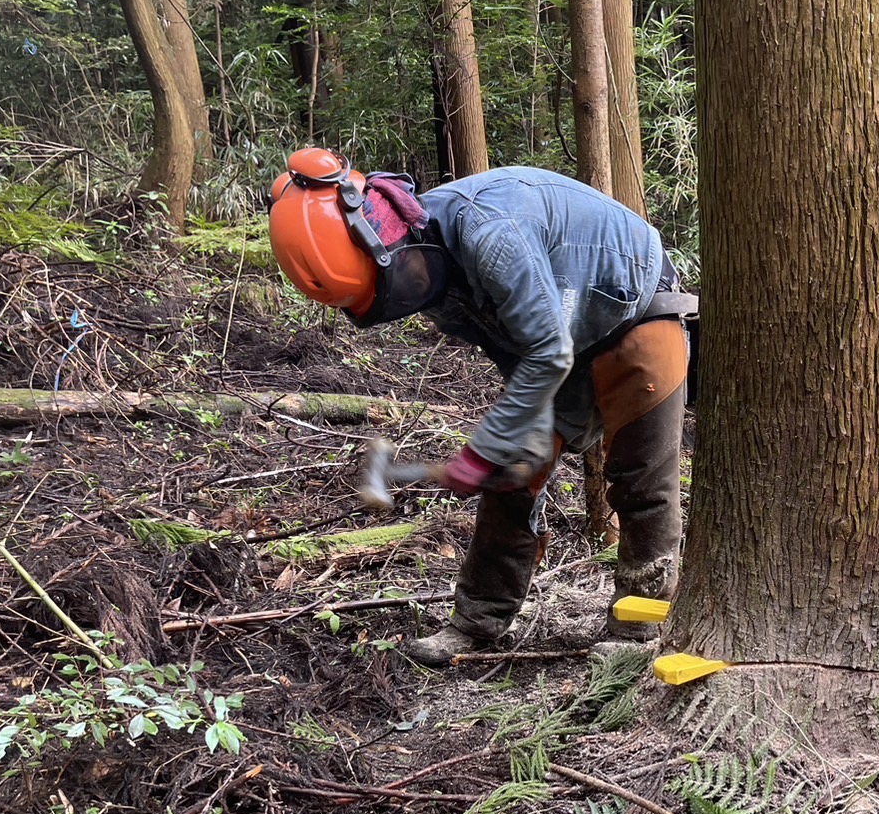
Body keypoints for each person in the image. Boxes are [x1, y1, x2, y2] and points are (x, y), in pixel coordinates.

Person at [267, 149, 695, 663]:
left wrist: (481, 449)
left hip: (634, 307)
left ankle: (637, 630)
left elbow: (546, 349)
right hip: (557, 335)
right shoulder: (440, 282)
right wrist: (508, 448)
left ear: (393, 248)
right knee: (513, 479)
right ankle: (478, 620)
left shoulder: (491, 235)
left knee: (641, 476)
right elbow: (518, 348)